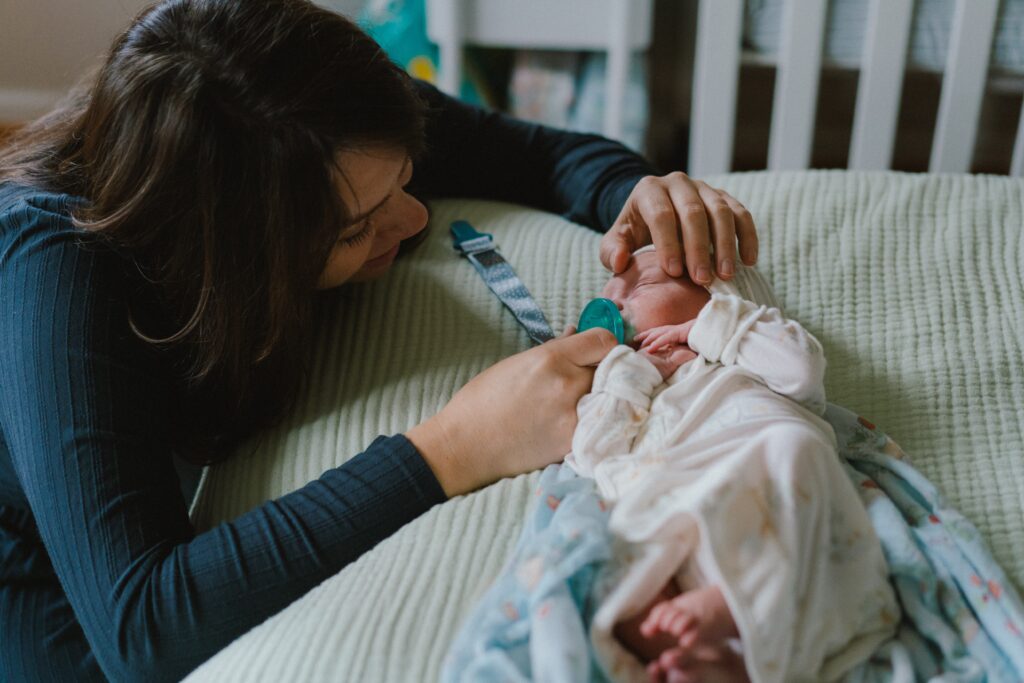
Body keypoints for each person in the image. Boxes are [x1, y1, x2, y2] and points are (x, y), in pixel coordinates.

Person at [0, 0, 759, 680]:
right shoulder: (59, 267)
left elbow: (531, 151)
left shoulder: (318, 122)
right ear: (230, 260)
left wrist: (636, 192)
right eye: (357, 229)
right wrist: (454, 445)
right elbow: (146, 627)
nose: (414, 219)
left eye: (403, 180)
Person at [564, 249, 899, 682]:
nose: (616, 304)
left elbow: (801, 367)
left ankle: (738, 613)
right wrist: (627, 374)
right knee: (613, 568)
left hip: (762, 491)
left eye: (641, 287)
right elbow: (593, 454)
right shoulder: (627, 380)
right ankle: (717, 660)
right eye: (607, 295)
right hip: (673, 503)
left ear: (720, 294)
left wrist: (706, 328)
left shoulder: (744, 353)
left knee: (794, 446)